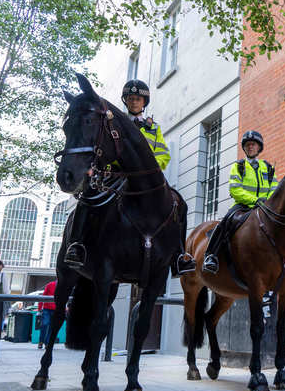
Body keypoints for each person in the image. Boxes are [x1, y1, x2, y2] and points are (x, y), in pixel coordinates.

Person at [63, 79, 195, 273]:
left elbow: (163, 154)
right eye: (131, 99)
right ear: (126, 101)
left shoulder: (153, 127)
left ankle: (178, 255)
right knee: (88, 195)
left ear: (144, 102)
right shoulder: (114, 123)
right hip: (119, 176)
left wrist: (150, 169)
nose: (134, 102)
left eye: (138, 99)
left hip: (147, 179)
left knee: (179, 203)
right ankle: (76, 245)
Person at [202, 130, 278, 274]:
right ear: (244, 148)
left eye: (253, 144)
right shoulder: (238, 166)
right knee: (225, 222)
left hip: (264, 207)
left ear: (259, 147)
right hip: (242, 206)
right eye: (248, 145)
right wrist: (255, 200)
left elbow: (275, 187)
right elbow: (235, 190)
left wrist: (267, 201)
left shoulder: (267, 167)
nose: (250, 147)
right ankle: (210, 256)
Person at [37, 280, 56, 349]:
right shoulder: (50, 284)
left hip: (56, 310)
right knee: (44, 324)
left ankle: (47, 343)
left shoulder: (63, 286)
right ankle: (41, 341)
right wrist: (39, 308)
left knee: (52, 327)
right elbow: (43, 296)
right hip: (46, 309)